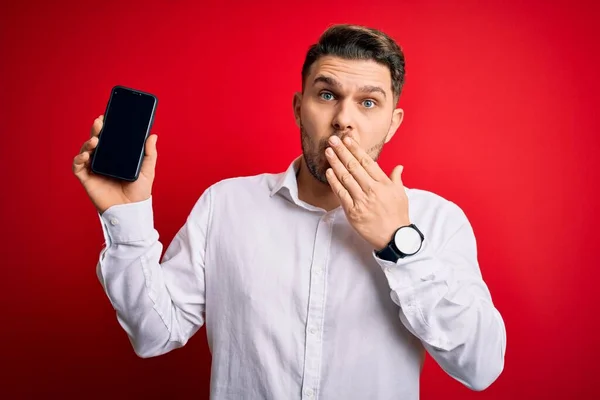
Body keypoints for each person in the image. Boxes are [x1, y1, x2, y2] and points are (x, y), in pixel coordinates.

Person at [73, 24, 506, 400]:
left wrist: (398, 243)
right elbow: (153, 335)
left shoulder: (437, 221)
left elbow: (480, 367)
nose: (343, 120)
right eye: (327, 95)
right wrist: (125, 217)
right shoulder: (225, 206)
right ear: (300, 108)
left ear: (393, 122)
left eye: (368, 103)